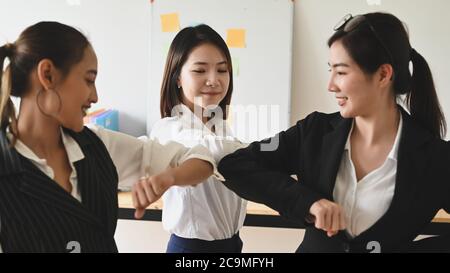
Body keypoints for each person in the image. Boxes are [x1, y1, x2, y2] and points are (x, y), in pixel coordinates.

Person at [218, 12, 450, 253]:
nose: (330, 85)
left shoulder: (435, 158)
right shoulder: (313, 133)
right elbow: (234, 165)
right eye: (331, 70)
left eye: (341, 72)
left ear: (383, 75)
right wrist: (309, 203)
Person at [0, 21, 217, 253]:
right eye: (89, 80)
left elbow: (201, 158)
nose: (95, 96)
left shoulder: (95, 145)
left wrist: (168, 178)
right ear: (48, 75)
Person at [149, 24, 247, 253]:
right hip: (192, 251)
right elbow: (211, 150)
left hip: (232, 245)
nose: (213, 80)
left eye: (222, 70)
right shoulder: (168, 129)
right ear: (178, 78)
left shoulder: (222, 127)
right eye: (200, 71)